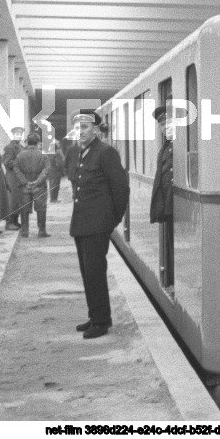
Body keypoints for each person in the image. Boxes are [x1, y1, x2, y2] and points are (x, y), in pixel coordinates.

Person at [68, 110, 129, 339]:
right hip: (82, 224)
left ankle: (102, 321)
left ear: (95, 129)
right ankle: (95, 315)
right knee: (88, 273)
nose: (80, 132)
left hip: (96, 226)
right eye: (77, 128)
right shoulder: (84, 153)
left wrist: (111, 220)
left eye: (84, 127)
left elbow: (121, 188)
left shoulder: (106, 152)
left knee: (95, 273)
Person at [14, 133, 50, 238]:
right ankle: (41, 231)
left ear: (27, 142)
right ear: (38, 142)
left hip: (25, 186)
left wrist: (25, 181)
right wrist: (37, 181)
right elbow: (46, 169)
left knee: (24, 208)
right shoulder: (43, 155)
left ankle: (25, 231)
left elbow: (16, 169)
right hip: (39, 186)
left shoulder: (20, 155)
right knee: (41, 208)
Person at [149, 105, 173, 225]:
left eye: (169, 122)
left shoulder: (180, 145)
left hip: (175, 207)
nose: (166, 127)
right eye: (162, 124)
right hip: (167, 209)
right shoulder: (166, 147)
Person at [2, 127, 25, 231]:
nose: (19, 135)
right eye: (17, 134)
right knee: (12, 200)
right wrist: (20, 163)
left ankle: (15, 220)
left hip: (19, 177)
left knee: (18, 200)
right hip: (12, 177)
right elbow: (7, 162)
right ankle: (9, 222)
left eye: (20, 134)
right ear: (12, 135)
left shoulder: (21, 147)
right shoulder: (9, 148)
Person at [64, 134, 81, 199]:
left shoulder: (69, 149)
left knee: (73, 182)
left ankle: (74, 193)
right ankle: (75, 193)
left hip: (71, 169)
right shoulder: (81, 149)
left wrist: (65, 167)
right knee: (77, 182)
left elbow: (66, 159)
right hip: (78, 168)